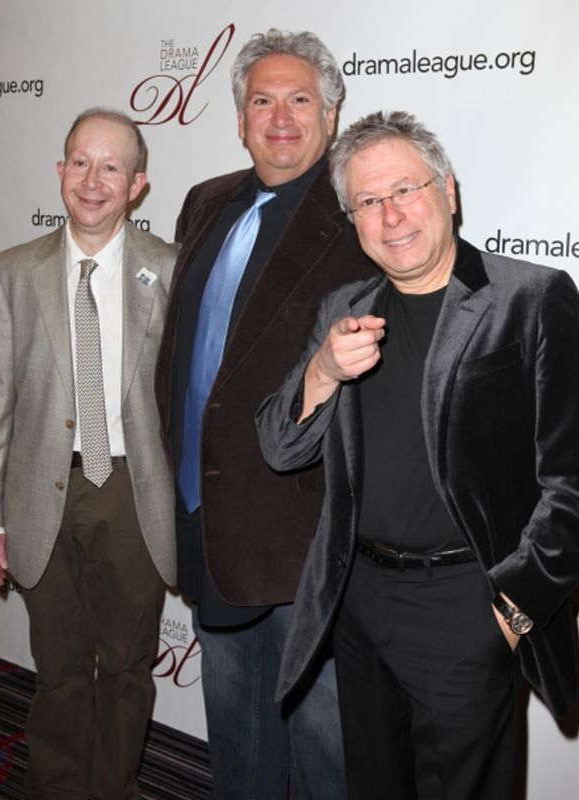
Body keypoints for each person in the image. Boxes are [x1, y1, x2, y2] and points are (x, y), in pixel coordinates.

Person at [256, 110, 579, 800]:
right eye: (368, 201)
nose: (391, 215)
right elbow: (279, 448)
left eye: (406, 189)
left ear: (448, 190)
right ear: (353, 220)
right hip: (360, 602)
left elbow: (571, 482)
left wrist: (514, 608)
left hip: (468, 606)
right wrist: (322, 370)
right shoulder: (345, 308)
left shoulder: (530, 298)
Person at [155, 29, 375, 799]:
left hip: (303, 539)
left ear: (332, 113)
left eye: (300, 100)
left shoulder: (361, 212)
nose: (280, 118)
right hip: (206, 520)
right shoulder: (205, 202)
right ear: (240, 118)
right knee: (238, 739)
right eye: (262, 101)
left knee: (326, 754)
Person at [0, 108, 177, 800]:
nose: (93, 180)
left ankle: (111, 788)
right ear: (60, 171)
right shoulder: (12, 271)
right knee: (59, 667)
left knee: (125, 667)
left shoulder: (171, 269)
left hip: (132, 494)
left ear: (137, 184)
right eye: (81, 163)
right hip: (39, 491)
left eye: (111, 167)